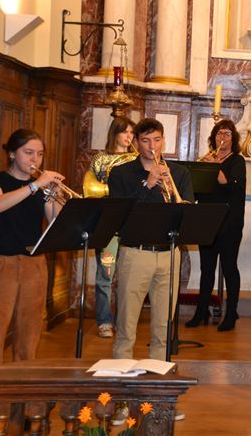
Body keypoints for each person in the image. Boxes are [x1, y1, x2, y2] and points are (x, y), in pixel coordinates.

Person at [107, 118, 194, 361]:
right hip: (136, 253)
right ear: (135, 143)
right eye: (145, 140)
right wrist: (149, 183)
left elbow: (187, 209)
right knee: (126, 324)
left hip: (169, 254)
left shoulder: (180, 173)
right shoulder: (120, 174)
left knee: (164, 326)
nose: (151, 146)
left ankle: (159, 375)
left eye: (156, 140)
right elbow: (120, 214)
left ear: (164, 141)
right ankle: (122, 376)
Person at [0, 129, 64, 368]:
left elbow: (55, 223)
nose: (35, 159)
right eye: (28, 153)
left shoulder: (40, 187)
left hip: (34, 264)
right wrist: (36, 186)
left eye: (40, 154)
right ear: (13, 154)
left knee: (29, 336)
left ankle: (22, 402)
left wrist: (54, 196)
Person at [185, 119, 247, 332]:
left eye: (227, 134)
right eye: (220, 134)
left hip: (230, 222)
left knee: (229, 268)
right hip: (207, 219)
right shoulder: (208, 159)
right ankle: (202, 310)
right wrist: (200, 170)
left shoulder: (237, 161)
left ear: (233, 139)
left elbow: (232, 187)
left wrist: (215, 168)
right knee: (206, 268)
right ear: (213, 137)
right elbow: (199, 190)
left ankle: (231, 313)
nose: (223, 138)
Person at [87, 116, 136, 338]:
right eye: (125, 132)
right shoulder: (100, 160)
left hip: (130, 225)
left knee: (129, 279)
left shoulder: (137, 159)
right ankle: (104, 321)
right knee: (105, 276)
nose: (129, 137)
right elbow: (91, 188)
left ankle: (125, 323)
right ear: (114, 133)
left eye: (132, 133)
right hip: (107, 225)